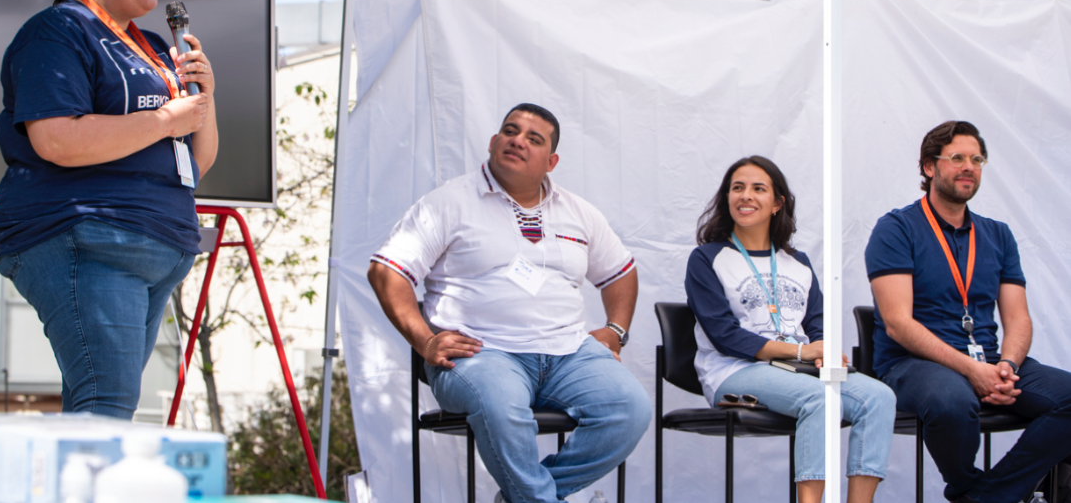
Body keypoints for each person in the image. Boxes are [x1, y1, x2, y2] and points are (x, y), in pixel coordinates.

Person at [0, 0, 218, 419]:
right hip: (86, 237)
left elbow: (198, 160)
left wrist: (206, 96)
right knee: (107, 405)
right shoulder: (59, 31)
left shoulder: (156, 46)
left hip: (157, 246)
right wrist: (164, 119)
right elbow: (56, 140)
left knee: (100, 408)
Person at [367, 103, 651, 503]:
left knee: (629, 409)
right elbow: (386, 270)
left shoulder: (578, 212)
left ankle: (526, 497)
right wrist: (424, 340)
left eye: (534, 139)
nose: (518, 140)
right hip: (482, 352)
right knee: (501, 406)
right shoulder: (449, 202)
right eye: (510, 131)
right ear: (493, 141)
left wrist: (616, 330)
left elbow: (620, 271)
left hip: (569, 352)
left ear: (551, 161)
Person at [866, 121, 1071, 503]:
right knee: (952, 402)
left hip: (991, 360)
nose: (969, 167)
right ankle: (973, 489)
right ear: (929, 167)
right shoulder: (896, 229)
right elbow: (897, 323)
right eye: (956, 158)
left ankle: (985, 497)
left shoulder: (998, 234)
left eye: (977, 159)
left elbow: (1017, 318)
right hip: (914, 364)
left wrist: (1006, 365)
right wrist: (972, 370)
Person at [686, 156, 895, 503]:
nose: (745, 196)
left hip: (799, 368)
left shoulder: (797, 262)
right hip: (737, 369)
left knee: (879, 397)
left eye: (758, 189)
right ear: (727, 198)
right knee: (820, 400)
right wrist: (801, 351)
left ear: (777, 203)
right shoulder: (707, 258)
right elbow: (724, 335)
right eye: (737, 188)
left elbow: (816, 320)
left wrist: (822, 348)